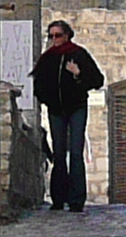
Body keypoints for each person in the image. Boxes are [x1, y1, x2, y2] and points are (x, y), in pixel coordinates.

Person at [30, 19, 105, 213]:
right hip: (56, 111)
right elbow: (38, 83)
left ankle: (77, 200)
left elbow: (97, 80)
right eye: (51, 36)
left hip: (77, 108)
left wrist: (78, 74)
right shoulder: (48, 58)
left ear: (67, 35)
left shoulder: (78, 54)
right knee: (59, 153)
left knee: (76, 152)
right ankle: (58, 198)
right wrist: (48, 100)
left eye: (58, 35)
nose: (55, 39)